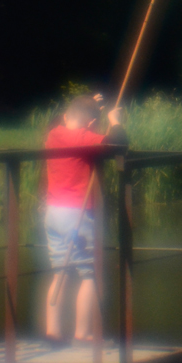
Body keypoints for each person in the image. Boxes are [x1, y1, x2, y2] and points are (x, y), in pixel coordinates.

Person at [43, 93, 126, 342]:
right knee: (89, 273)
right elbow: (118, 143)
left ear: (67, 116)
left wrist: (90, 105)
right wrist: (115, 120)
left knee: (60, 271)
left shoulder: (53, 134)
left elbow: (74, 116)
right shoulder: (84, 137)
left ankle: (53, 330)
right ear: (91, 124)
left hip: (53, 212)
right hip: (77, 212)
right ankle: (82, 332)